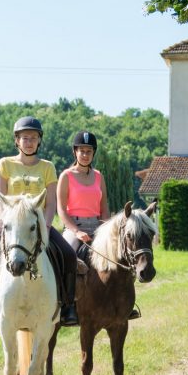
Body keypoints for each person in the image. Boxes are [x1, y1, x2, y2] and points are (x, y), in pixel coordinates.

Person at [0, 116, 79, 333]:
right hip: (9, 223)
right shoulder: (4, 164)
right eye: (24, 137)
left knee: (69, 255)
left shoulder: (47, 167)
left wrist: (46, 226)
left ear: (39, 141)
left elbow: (50, 202)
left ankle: (68, 307)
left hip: (38, 225)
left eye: (33, 138)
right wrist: (6, 221)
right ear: (17, 141)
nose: (29, 141)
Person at [57, 130, 140, 319]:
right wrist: (77, 232)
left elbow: (104, 208)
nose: (85, 154)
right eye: (81, 151)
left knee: (122, 254)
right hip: (73, 226)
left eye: (89, 151)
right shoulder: (66, 176)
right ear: (75, 152)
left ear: (93, 153)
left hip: (98, 225)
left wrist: (106, 230)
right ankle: (67, 305)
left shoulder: (98, 176)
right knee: (67, 256)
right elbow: (61, 210)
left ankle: (126, 303)